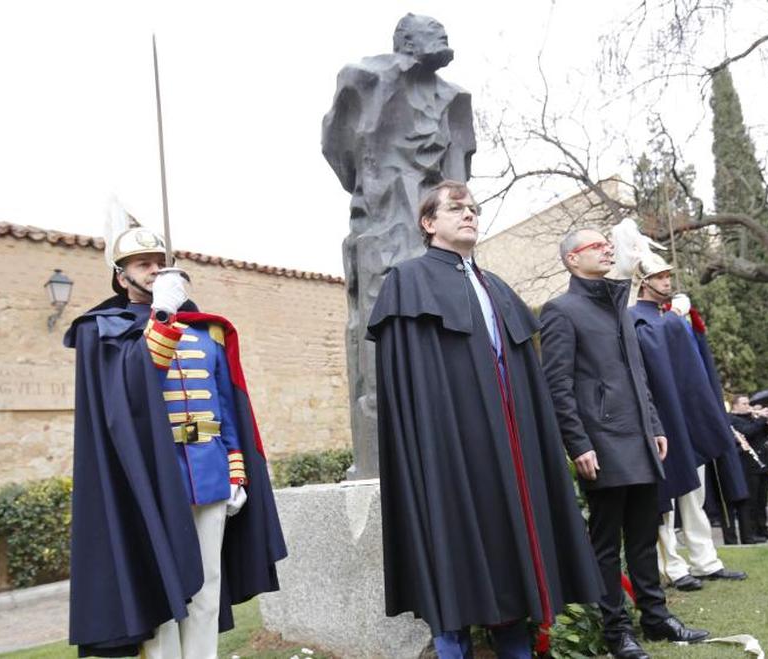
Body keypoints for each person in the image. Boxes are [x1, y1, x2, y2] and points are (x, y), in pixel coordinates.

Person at [368, 181, 604, 657]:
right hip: (451, 453)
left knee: (513, 558)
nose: (470, 214)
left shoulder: (495, 286)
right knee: (453, 552)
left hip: (511, 454)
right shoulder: (408, 281)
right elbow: (409, 386)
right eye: (456, 209)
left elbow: (524, 379)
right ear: (429, 223)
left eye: (474, 208)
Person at [64, 224, 286, 657]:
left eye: (159, 263)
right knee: (163, 591)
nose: (154, 270)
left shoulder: (206, 333)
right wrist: (162, 316)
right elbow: (131, 384)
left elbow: (228, 406)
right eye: (142, 264)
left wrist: (235, 471)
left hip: (208, 472)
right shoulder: (103, 330)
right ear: (120, 275)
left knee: (206, 587)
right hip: (149, 481)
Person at [322, 13, 477, 479]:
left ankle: (452, 440)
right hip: (384, 218)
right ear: (406, 41)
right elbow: (336, 146)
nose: (443, 35)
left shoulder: (455, 99)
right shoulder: (364, 79)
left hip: (434, 223)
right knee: (382, 324)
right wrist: (372, 186)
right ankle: (384, 448)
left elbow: (459, 170)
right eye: (432, 30)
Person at [541, 230, 708, 659]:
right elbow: (558, 387)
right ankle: (617, 633)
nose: (608, 249)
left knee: (642, 534)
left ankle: (656, 618)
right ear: (573, 260)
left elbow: (638, 376)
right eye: (597, 246)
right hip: (601, 443)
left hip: (640, 441)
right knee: (606, 541)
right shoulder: (561, 311)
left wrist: (654, 424)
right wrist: (578, 443)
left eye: (607, 244)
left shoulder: (619, 308)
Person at [626, 255, 748, 592]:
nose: (667, 281)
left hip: (686, 416)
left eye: (668, 275)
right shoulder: (634, 319)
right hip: (659, 419)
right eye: (660, 276)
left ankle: (705, 560)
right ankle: (674, 568)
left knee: (696, 493)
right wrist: (677, 320)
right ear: (643, 282)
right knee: (664, 500)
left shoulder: (669, 318)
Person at [729, 396, 768, 544]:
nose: (748, 406)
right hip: (748, 465)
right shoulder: (733, 419)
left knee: (762, 500)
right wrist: (762, 418)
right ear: (735, 406)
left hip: (762, 462)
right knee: (752, 500)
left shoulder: (752, 418)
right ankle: (751, 532)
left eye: (748, 403)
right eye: (744, 403)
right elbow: (748, 432)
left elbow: (762, 435)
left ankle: (762, 528)